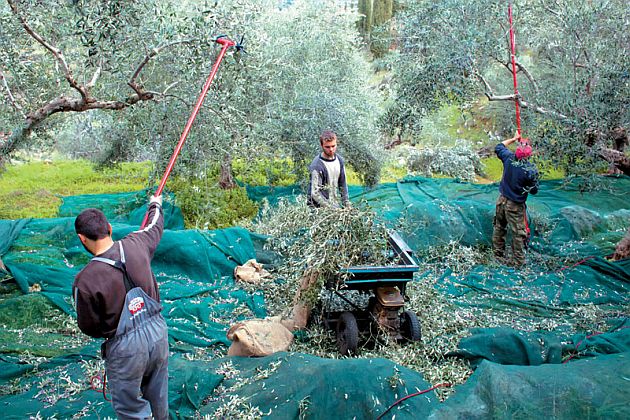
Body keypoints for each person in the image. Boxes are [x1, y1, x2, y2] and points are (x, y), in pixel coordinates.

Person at [73, 195, 168, 420]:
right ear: (109, 228)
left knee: (130, 409)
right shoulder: (138, 243)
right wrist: (156, 204)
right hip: (158, 334)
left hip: (125, 349)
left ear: (82, 239)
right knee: (158, 397)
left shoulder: (84, 281)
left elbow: (89, 327)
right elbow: (154, 225)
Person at [492, 134, 539, 267]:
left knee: (499, 227)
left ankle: (497, 256)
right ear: (529, 155)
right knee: (518, 234)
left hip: (501, 201)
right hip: (515, 206)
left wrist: (513, 139)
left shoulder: (508, 158)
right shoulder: (530, 170)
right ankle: (518, 263)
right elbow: (534, 191)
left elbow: (499, 146)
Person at [307, 130, 350, 208]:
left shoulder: (339, 160)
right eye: (327, 147)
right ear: (321, 145)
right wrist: (331, 209)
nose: (331, 149)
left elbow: (343, 184)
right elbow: (315, 193)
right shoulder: (317, 165)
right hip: (318, 210)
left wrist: (347, 204)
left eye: (333, 146)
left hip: (334, 205)